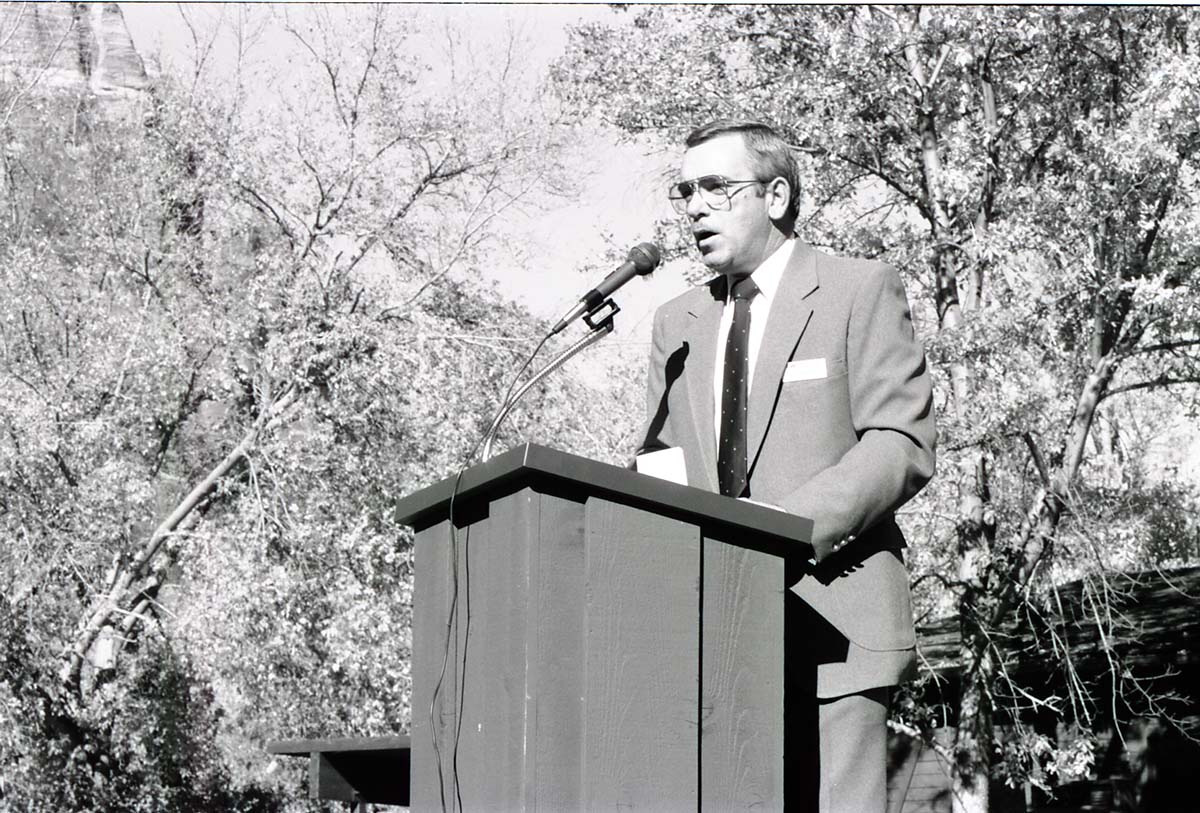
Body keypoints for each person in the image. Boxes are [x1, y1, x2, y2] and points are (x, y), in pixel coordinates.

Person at [637, 119, 936, 812]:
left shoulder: (857, 289)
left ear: (775, 196)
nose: (694, 206)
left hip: (836, 618)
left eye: (715, 185)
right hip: (711, 640)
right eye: (686, 189)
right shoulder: (674, 324)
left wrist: (781, 529)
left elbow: (900, 439)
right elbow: (660, 463)